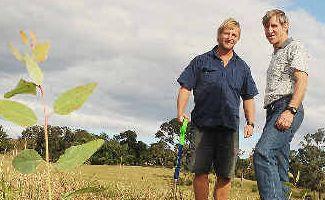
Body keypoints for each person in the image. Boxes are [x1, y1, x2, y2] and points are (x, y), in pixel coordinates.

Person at [176, 18, 258, 200]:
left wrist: (250, 122)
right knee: (200, 172)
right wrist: (180, 112)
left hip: (229, 128)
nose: (230, 37)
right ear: (219, 35)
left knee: (225, 174)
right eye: (227, 33)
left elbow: (249, 97)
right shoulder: (201, 61)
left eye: (234, 34)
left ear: (238, 38)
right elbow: (185, 87)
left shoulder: (243, 67)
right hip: (202, 126)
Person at [253, 9, 309, 200]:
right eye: (266, 27)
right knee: (279, 164)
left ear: (285, 26)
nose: (269, 30)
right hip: (274, 111)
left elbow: (301, 80)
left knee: (262, 153)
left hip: (286, 107)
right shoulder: (276, 53)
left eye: (274, 25)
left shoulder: (295, 47)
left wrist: (290, 110)